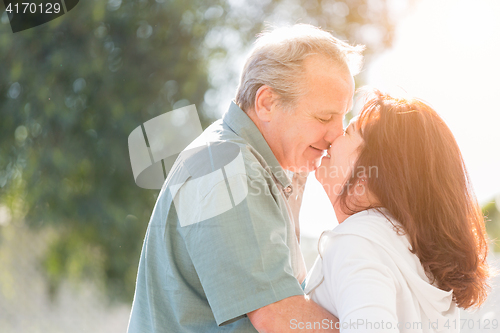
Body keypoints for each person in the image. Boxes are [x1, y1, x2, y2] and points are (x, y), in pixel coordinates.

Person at [127, 24, 364, 332]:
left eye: (343, 116)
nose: (336, 134)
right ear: (267, 103)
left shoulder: (257, 167)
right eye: (323, 117)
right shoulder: (227, 168)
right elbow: (278, 316)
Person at [306, 90, 491, 332]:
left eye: (348, 132)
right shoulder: (423, 263)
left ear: (371, 174)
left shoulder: (358, 241)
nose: (333, 137)